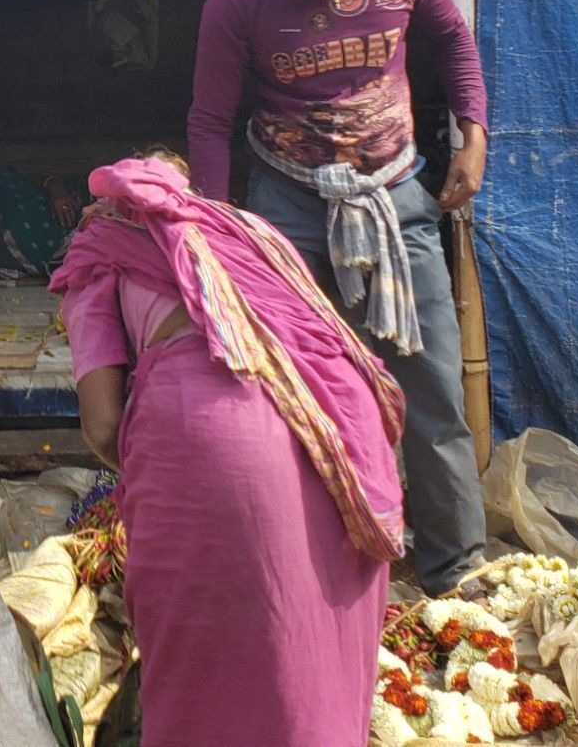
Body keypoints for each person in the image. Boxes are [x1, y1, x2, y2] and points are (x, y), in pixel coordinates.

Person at [187, 0, 490, 596]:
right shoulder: (235, 1)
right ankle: (318, 564)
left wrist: (472, 131)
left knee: (431, 382)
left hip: (396, 196)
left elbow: (452, 42)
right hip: (289, 205)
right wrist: (216, 237)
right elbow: (210, 122)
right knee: (293, 387)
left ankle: (455, 563)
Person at [53, 153, 403, 746]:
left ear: (108, 208)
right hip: (342, 436)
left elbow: (103, 423)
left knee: (207, 671)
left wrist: (155, 472)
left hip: (214, 435)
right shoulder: (246, 230)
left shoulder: (98, 252)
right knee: (312, 661)